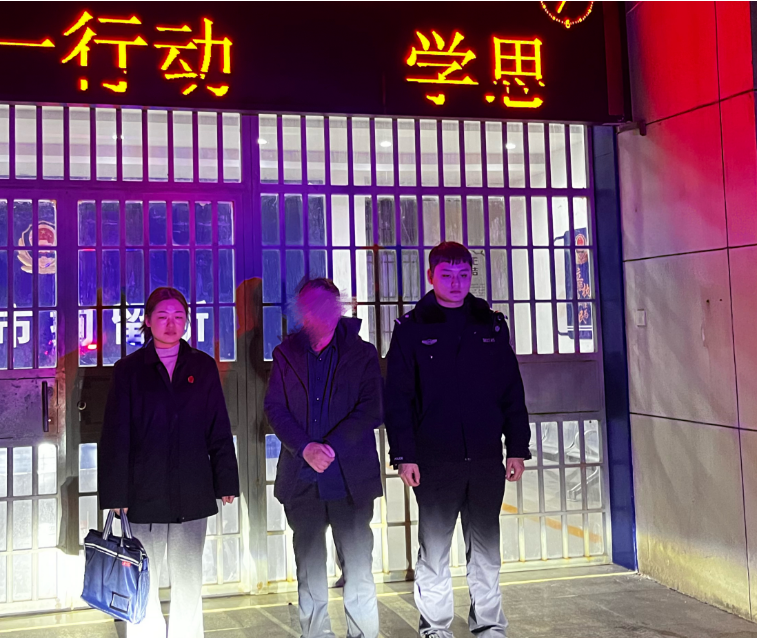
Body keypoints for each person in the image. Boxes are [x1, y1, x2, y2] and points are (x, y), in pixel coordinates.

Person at [384, 242, 531, 638]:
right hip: (435, 461)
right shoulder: (412, 329)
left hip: (484, 459)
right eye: (447, 275)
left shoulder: (490, 324)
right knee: (434, 552)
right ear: (431, 276)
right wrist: (404, 455)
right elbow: (397, 399)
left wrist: (517, 447)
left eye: (464, 275)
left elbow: (511, 391)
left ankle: (489, 625)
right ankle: (435, 627)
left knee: (486, 551)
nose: (456, 283)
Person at [98, 286, 240, 638]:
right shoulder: (129, 370)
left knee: (189, 576)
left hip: (192, 486)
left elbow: (218, 426)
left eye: (178, 316)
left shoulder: (202, 366)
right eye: (162, 316)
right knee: (142, 574)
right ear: (147, 321)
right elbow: (115, 435)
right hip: (143, 490)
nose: (171, 323)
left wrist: (226, 480)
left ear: (187, 322)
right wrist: (116, 494)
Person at [264, 278, 383, 638]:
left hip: (350, 477)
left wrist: (330, 447)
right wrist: (305, 448)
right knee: (310, 570)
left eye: (325, 305)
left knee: (358, 569)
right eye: (310, 307)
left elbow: (372, 408)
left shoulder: (363, 353)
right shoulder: (286, 354)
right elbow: (275, 408)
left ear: (339, 308)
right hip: (302, 478)